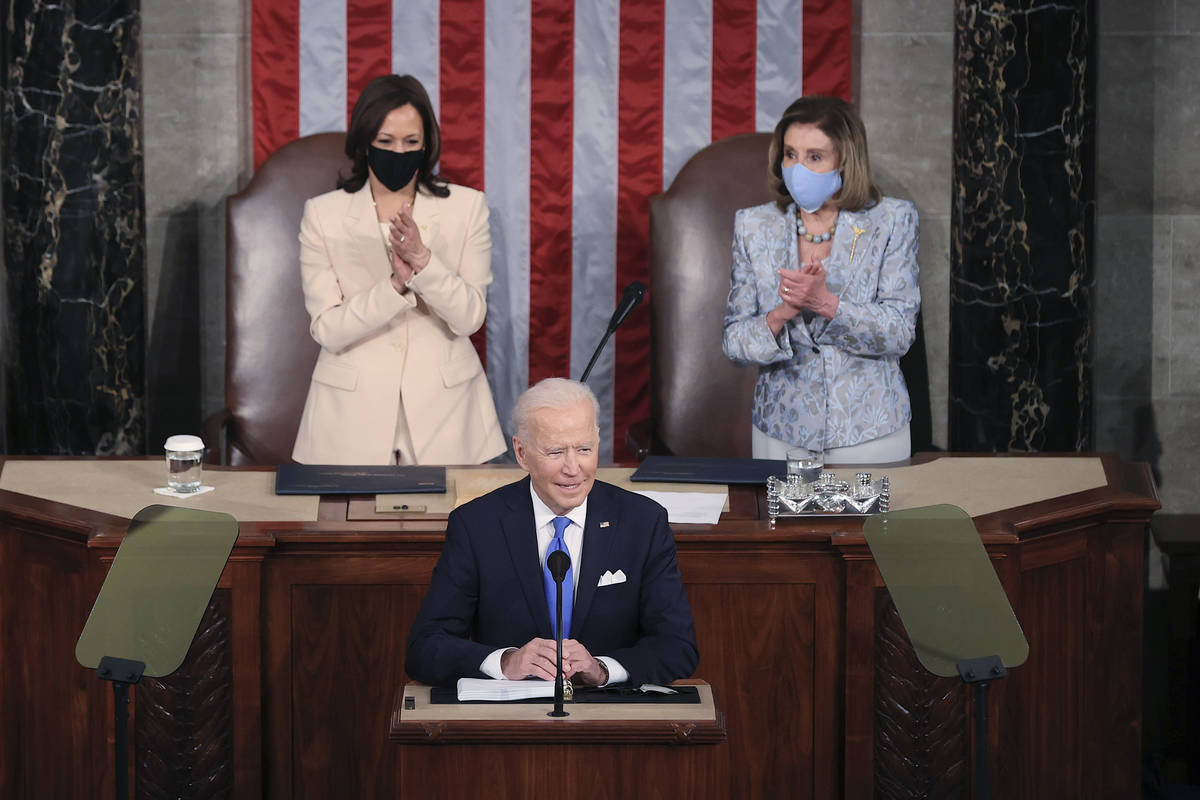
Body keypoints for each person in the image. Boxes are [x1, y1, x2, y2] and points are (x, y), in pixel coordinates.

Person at [405, 378, 698, 688]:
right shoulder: (477, 525)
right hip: (510, 721)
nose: (573, 468)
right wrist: (505, 662)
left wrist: (602, 669)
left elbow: (678, 647)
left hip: (610, 715)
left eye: (584, 449)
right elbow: (424, 647)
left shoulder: (643, 522)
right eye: (556, 452)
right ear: (521, 453)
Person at [291, 74, 506, 465]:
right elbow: (328, 329)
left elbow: (469, 318)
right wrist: (395, 286)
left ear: (427, 145)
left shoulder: (467, 208)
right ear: (364, 143)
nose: (399, 152)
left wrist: (424, 262)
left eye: (411, 142)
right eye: (386, 142)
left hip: (449, 418)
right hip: (349, 422)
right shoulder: (323, 215)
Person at [722, 95, 920, 464]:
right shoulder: (753, 225)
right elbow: (734, 342)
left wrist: (826, 304)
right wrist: (782, 313)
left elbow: (899, 333)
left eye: (815, 157)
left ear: (845, 159)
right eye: (790, 155)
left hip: (869, 430)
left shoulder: (892, 220)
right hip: (780, 432)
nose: (798, 169)